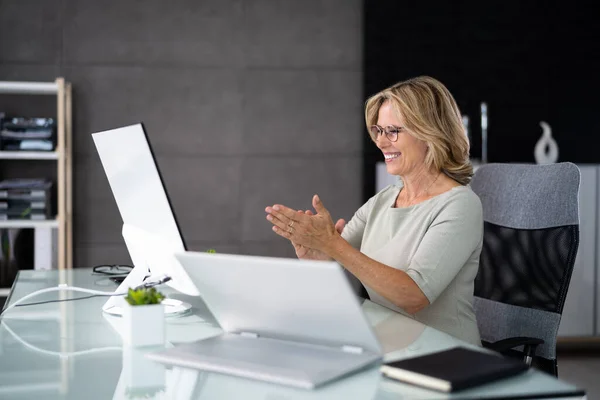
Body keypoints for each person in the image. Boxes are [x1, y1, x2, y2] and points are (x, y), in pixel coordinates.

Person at [265, 76, 483, 346]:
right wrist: (316, 253)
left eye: (392, 131)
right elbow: (336, 259)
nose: (381, 142)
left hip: (446, 357)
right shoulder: (382, 201)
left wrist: (331, 244)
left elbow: (413, 297)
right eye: (378, 131)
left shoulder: (460, 205)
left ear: (429, 133)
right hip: (389, 346)